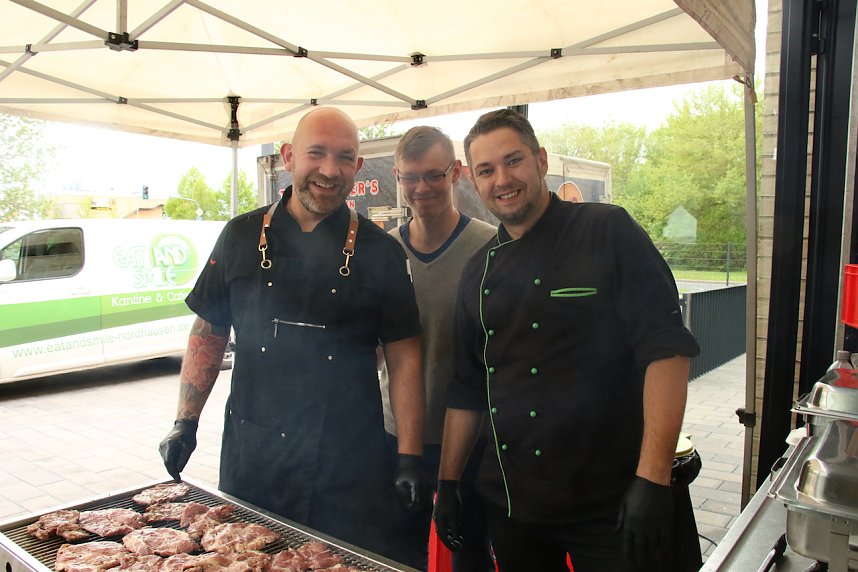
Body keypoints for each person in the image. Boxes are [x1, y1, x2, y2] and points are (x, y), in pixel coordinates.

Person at [158, 107, 431, 565]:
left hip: (349, 464)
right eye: (316, 154)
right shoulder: (240, 235)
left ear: (358, 167)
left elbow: (405, 356)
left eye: (345, 157)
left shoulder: (381, 251)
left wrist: (409, 457)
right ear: (288, 157)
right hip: (255, 459)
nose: (329, 170)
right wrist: (185, 420)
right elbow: (208, 329)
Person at [432, 109, 701, 572]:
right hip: (516, 507)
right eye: (486, 170)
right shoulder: (478, 273)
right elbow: (467, 390)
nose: (503, 179)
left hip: (613, 500)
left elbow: (667, 351)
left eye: (513, 161)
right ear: (473, 183)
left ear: (540, 160)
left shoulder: (607, 230)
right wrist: (449, 483)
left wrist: (653, 481)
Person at [378, 126, 497, 571]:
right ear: (397, 178)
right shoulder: (384, 252)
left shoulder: (489, 246)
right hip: (397, 436)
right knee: (399, 551)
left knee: (470, 552)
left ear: (456, 173)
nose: (422, 188)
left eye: (433, 175)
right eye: (411, 177)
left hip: (471, 439)